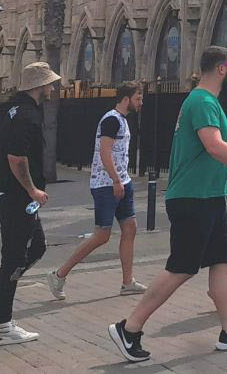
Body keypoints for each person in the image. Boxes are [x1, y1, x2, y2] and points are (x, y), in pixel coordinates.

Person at [109, 47, 227, 363]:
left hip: (209, 197)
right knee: (182, 266)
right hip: (193, 198)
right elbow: (214, 146)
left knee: (222, 261)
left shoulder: (204, 101)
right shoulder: (202, 101)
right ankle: (129, 328)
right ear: (222, 68)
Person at [0, 63, 59, 344]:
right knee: (13, 257)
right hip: (14, 196)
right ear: (39, 86)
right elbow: (16, 158)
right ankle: (2, 324)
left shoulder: (16, 110)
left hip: (12, 195)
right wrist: (32, 190)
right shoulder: (26, 115)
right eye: (50, 83)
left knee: (36, 246)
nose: (52, 88)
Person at [48, 81, 147, 300]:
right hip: (106, 184)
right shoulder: (112, 120)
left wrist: (122, 181)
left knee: (130, 227)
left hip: (121, 181)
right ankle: (59, 274)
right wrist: (115, 180)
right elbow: (105, 152)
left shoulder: (122, 120)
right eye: (138, 98)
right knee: (102, 234)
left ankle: (127, 281)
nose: (141, 103)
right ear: (126, 99)